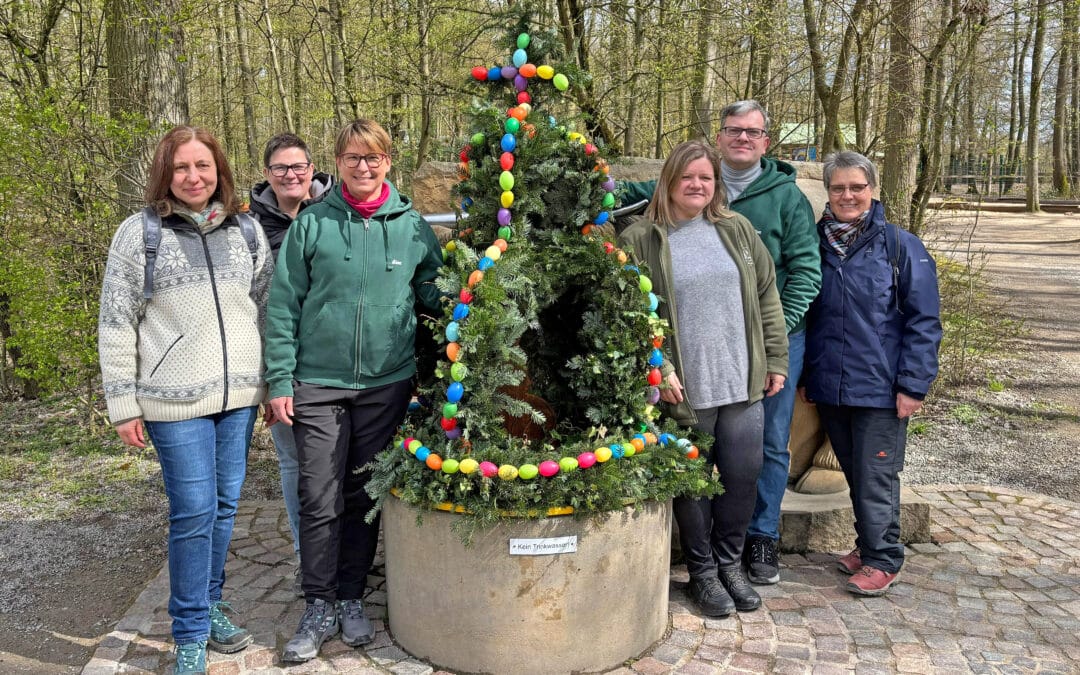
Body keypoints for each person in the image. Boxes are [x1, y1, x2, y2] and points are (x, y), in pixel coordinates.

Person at [264, 119, 444, 662]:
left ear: (388, 161)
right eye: (352, 158)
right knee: (318, 495)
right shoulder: (313, 224)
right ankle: (318, 603)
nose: (363, 167)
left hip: (386, 385)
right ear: (338, 163)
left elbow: (434, 296)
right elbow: (283, 306)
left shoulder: (412, 227)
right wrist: (280, 379)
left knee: (364, 495)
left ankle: (350, 596)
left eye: (373, 158)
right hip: (318, 382)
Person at [621, 100, 820, 585]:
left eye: (705, 178)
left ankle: (731, 563)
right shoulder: (642, 239)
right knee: (692, 478)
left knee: (743, 474)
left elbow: (768, 295)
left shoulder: (737, 230)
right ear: (668, 181)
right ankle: (703, 572)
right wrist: (660, 366)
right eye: (687, 177)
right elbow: (631, 314)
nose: (696, 185)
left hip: (741, 377)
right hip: (686, 383)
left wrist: (775, 357)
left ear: (716, 184)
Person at [98, 126, 273, 674]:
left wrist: (271, 383)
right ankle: (191, 631)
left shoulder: (247, 231)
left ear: (220, 170)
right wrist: (123, 402)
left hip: (238, 397)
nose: (193, 177)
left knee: (224, 507)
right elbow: (116, 322)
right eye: (181, 167)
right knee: (194, 511)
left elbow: (266, 310)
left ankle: (210, 603)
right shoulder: (140, 235)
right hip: (172, 402)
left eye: (203, 166)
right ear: (165, 174)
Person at [799, 150, 941, 597]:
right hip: (831, 386)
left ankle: (883, 559)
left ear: (873, 190)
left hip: (882, 389)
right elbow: (809, 318)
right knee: (855, 473)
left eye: (857, 187)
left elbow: (925, 321)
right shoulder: (815, 244)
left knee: (877, 475)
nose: (848, 195)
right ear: (828, 191)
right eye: (838, 187)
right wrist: (808, 376)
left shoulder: (900, 246)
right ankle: (867, 546)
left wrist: (913, 385)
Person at [248, 132, 334, 596]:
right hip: (278, 365)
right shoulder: (248, 229)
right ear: (267, 174)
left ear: (312, 169)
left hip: (333, 364)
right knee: (295, 464)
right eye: (280, 168)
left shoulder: (336, 213)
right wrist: (267, 380)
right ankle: (309, 558)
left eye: (298, 166)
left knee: (341, 465)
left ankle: (344, 555)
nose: (290, 175)